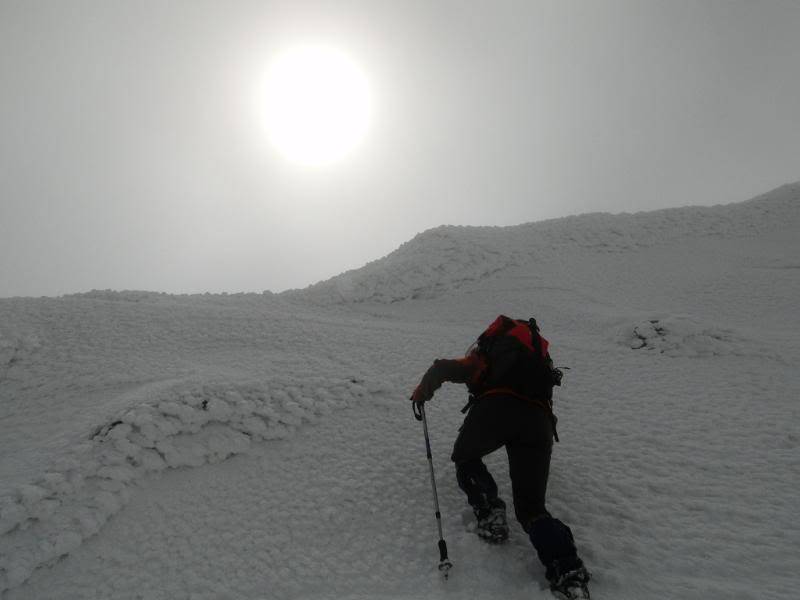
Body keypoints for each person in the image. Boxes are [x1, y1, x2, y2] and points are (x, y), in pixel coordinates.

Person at [410, 316, 591, 600]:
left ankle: (490, 511)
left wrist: (422, 393)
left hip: (495, 408)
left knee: (465, 457)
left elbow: (443, 368)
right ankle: (568, 573)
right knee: (532, 509)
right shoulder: (537, 363)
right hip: (539, 421)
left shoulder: (488, 354)